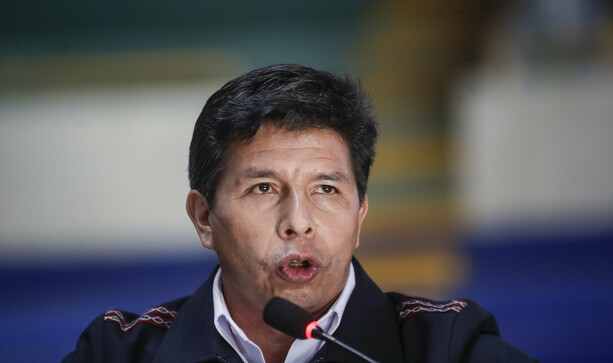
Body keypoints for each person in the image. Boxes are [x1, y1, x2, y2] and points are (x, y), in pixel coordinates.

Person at [64, 64, 538, 363]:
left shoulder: (446, 346)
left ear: (360, 215)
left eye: (326, 189)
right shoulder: (119, 352)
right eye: (264, 187)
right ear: (204, 218)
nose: (299, 221)